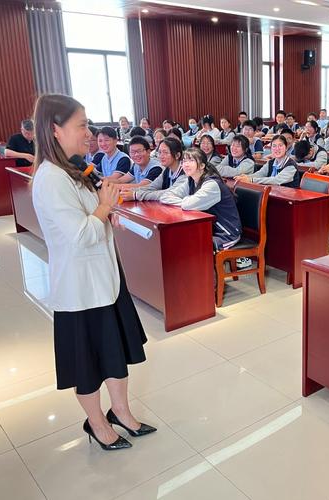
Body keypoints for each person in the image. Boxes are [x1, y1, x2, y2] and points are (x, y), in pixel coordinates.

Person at [31, 94, 155, 451]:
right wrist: (103, 206)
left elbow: (93, 219)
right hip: (81, 289)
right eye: (82, 125)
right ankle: (97, 423)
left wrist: (104, 207)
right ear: (56, 130)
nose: (90, 133)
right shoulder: (50, 178)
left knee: (116, 352)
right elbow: (82, 234)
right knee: (88, 363)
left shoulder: (74, 167)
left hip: (107, 279)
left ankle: (122, 413)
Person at [160, 148, 242, 249]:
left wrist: (187, 201)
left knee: (189, 245)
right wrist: (187, 200)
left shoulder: (212, 184)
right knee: (177, 238)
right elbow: (165, 197)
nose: (186, 164)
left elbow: (188, 205)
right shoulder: (191, 180)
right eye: (184, 161)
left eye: (191, 160)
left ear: (202, 165)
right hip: (209, 229)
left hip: (226, 233)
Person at [121, 137, 186, 201]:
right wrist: (131, 191)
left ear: (177, 155)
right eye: (160, 152)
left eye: (165, 152)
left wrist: (136, 195)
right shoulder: (167, 170)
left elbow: (169, 193)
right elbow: (152, 187)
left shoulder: (185, 172)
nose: (161, 156)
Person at [235, 134, 299, 187]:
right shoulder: (271, 162)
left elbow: (276, 180)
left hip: (288, 199)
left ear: (286, 148)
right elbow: (260, 174)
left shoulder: (291, 165)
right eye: (274, 146)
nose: (277, 149)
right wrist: (245, 177)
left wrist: (251, 180)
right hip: (273, 194)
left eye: (280, 145)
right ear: (271, 149)